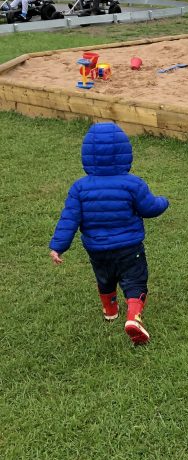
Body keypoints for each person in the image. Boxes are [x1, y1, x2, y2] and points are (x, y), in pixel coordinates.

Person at [49, 122, 170, 346]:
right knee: (135, 280)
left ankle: (110, 310)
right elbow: (149, 208)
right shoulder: (133, 184)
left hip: (97, 249)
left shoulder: (79, 188)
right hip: (129, 247)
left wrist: (58, 246)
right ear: (125, 152)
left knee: (105, 278)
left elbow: (69, 219)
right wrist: (164, 202)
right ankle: (133, 318)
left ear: (87, 155)